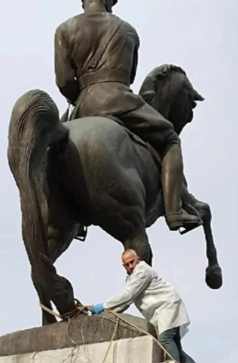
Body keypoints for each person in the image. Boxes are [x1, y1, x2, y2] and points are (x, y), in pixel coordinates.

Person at [53, 0, 201, 232]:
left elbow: (63, 81)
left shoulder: (64, 29)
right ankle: (174, 211)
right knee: (171, 138)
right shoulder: (127, 30)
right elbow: (129, 77)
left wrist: (80, 97)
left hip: (83, 107)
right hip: (119, 100)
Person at [89, 249, 212, 363]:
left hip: (167, 306)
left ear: (138, 259)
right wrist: (108, 312)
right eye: (127, 264)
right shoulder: (132, 278)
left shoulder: (142, 270)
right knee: (177, 350)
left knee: (165, 340)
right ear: (123, 266)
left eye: (132, 262)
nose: (131, 266)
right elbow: (126, 302)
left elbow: (128, 294)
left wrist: (103, 306)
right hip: (163, 310)